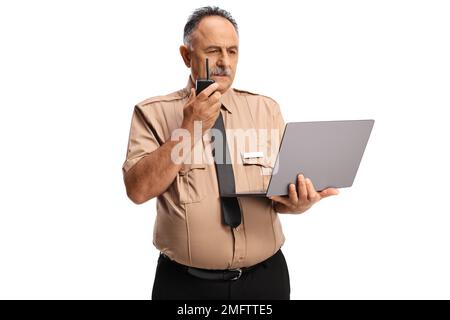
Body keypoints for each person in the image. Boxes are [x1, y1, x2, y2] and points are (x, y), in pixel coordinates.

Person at [122, 6, 339, 300]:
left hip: (266, 281)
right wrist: (190, 128)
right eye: (213, 51)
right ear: (187, 56)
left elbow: (278, 202)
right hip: (185, 287)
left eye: (233, 51)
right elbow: (137, 190)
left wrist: (300, 203)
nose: (224, 62)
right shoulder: (152, 113)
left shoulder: (266, 110)